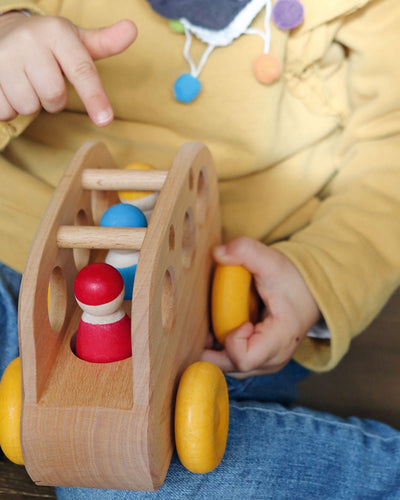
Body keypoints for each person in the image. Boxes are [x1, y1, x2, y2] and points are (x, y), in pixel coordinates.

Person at [0, 0, 400, 497]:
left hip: (203, 319)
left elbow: (391, 151)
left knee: (135, 473)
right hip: (14, 252)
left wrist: (315, 276)